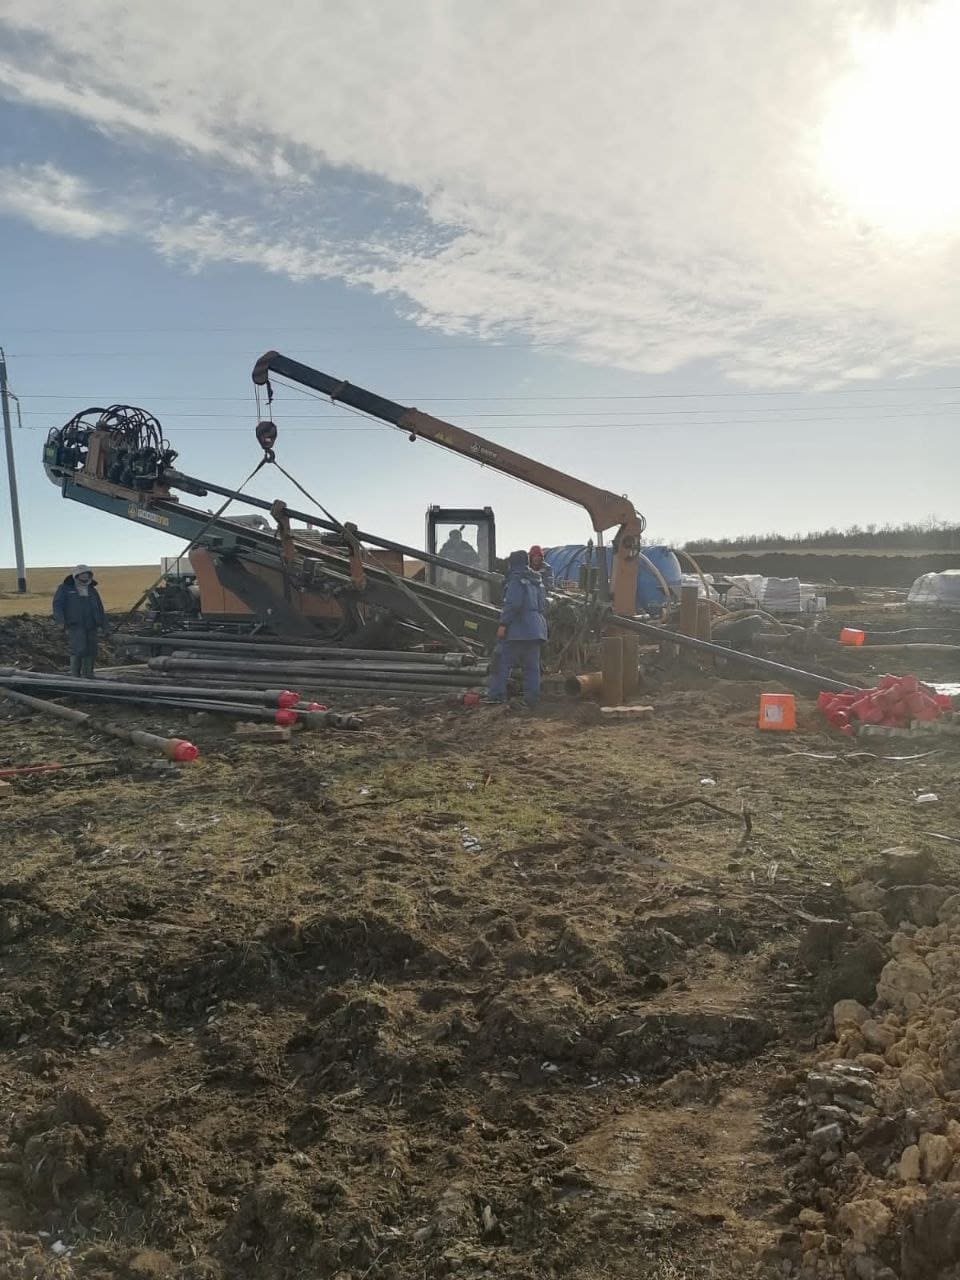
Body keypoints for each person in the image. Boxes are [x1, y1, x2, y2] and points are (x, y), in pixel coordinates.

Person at [487, 549, 548, 707]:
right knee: (532, 667)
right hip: (536, 629)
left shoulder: (516, 579)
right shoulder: (537, 581)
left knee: (500, 661)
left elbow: (513, 604)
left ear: (512, 563)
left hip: (518, 629)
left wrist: (503, 624)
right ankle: (532, 700)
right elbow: (543, 606)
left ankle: (496, 696)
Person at [53, 565, 106, 678]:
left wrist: (104, 625)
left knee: (91, 650)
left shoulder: (92, 590)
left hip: (92, 624)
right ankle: (75, 676)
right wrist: (60, 621)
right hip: (75, 624)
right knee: (78, 649)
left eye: (87, 574)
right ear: (76, 576)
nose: (85, 577)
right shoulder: (65, 589)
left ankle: (88, 675)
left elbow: (100, 608)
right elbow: (57, 605)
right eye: (82, 574)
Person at [438, 528, 481, 598]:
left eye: (457, 537)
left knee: (479, 581)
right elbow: (439, 558)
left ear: (460, 537)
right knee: (446, 583)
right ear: (451, 538)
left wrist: (473, 566)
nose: (456, 540)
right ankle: (459, 594)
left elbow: (477, 559)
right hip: (451, 571)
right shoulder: (447, 546)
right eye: (454, 538)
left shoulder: (466, 545)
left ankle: (464, 593)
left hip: (465, 570)